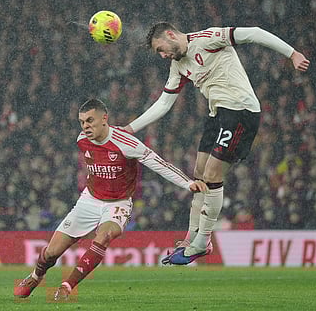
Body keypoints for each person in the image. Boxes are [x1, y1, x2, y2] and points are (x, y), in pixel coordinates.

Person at [123, 22, 310, 265]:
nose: (162, 55)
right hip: (218, 113)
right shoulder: (177, 66)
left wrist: (292, 53)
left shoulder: (208, 38)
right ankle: (192, 237)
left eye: (161, 48)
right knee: (198, 176)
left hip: (240, 110)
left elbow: (253, 33)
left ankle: (204, 242)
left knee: (212, 174)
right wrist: (129, 128)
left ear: (170, 35)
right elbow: (164, 103)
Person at [14, 98, 207, 300]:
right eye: (82, 122)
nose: (86, 126)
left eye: (90, 120)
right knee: (52, 252)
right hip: (89, 200)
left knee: (104, 236)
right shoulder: (82, 140)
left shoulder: (126, 143)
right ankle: (35, 276)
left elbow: (158, 163)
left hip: (118, 203)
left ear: (104, 118)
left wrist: (187, 183)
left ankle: (67, 286)